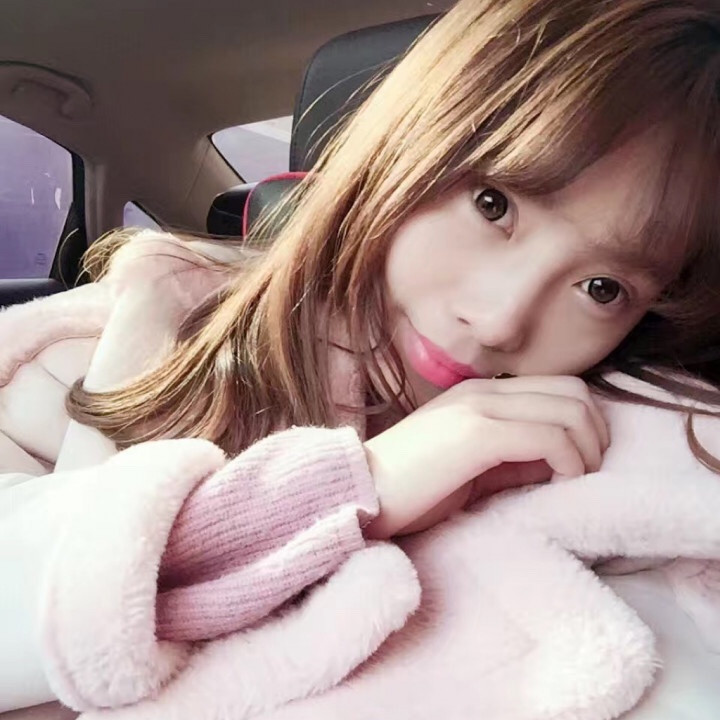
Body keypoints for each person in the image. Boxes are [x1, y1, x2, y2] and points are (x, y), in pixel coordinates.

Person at [2, 0, 720, 716]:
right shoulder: (90, 360)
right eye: (493, 205)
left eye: (602, 288)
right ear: (410, 143)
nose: (499, 319)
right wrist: (349, 490)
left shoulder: (636, 453)